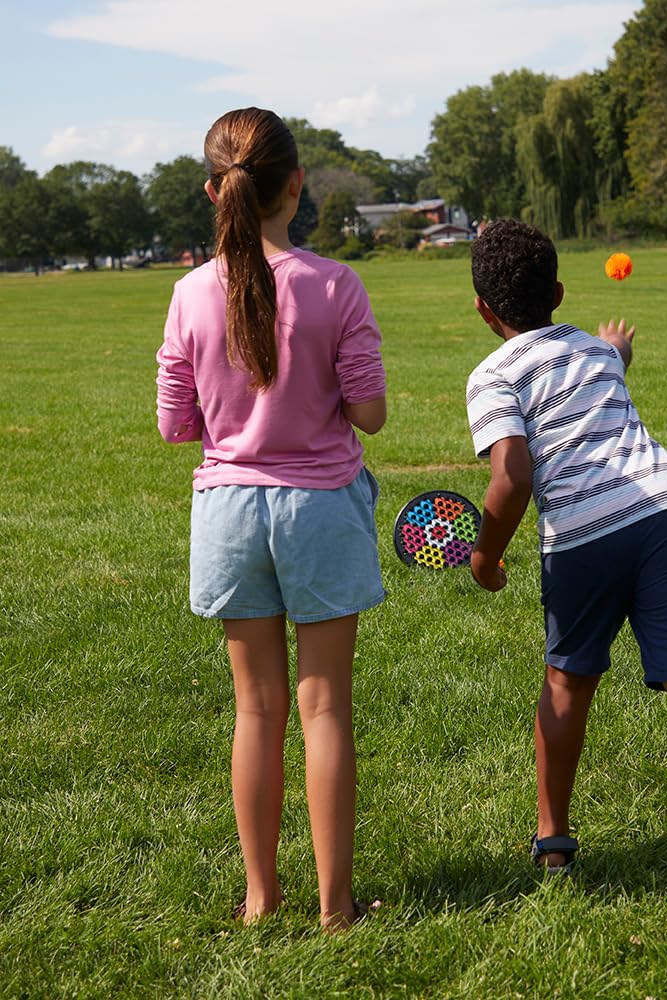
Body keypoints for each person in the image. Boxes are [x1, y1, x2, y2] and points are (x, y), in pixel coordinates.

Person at [464, 218, 667, 918]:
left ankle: (553, 841)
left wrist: (485, 554)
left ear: (482, 309)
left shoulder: (493, 375)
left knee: (567, 683)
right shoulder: (594, 350)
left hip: (583, 533)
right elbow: (604, 363)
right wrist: (618, 349)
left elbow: (512, 477)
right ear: (559, 293)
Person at [156, 108, 386, 931]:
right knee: (324, 708)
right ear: (296, 185)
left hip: (227, 513)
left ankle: (260, 897)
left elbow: (175, 424)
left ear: (214, 190)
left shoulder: (187, 293)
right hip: (320, 509)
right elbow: (369, 413)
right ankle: (335, 908)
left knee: (255, 711)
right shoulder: (336, 285)